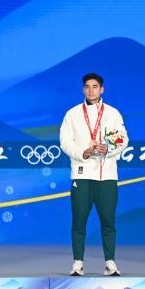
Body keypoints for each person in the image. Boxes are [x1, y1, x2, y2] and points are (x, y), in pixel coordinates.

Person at [59, 72, 128, 277]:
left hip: (107, 175)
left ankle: (110, 263)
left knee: (108, 221)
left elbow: (122, 139)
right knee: (79, 221)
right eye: (87, 87)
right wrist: (84, 152)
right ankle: (78, 263)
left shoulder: (112, 113)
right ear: (83, 89)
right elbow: (65, 142)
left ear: (102, 89)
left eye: (95, 86)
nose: (91, 90)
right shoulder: (72, 114)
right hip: (82, 174)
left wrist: (108, 149)